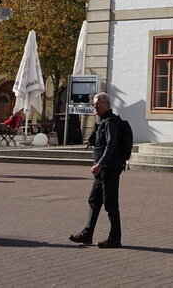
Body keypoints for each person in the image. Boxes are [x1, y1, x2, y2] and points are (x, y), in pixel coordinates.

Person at [69, 92, 125, 248]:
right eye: (93, 104)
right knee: (94, 200)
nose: (94, 107)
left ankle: (115, 238)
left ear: (106, 104)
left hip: (109, 168)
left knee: (111, 203)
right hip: (102, 170)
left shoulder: (110, 122)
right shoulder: (103, 121)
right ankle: (87, 234)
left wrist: (100, 163)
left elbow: (111, 145)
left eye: (96, 104)